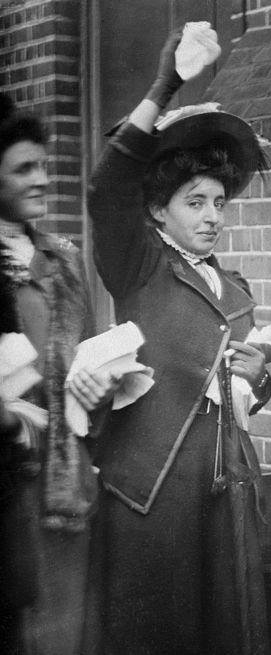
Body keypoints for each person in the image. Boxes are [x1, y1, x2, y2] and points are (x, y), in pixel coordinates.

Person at [85, 29, 271, 654]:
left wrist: (259, 374)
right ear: (159, 211)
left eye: (219, 201)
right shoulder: (139, 263)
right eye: (195, 202)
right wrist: (166, 85)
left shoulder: (237, 288)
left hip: (227, 492)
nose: (213, 215)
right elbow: (107, 187)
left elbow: (249, 387)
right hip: (153, 493)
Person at [0, 93, 117, 654]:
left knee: (68, 635)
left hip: (66, 484)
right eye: (24, 168)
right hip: (9, 485)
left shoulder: (64, 260)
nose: (43, 179)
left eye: (44, 165)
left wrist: (101, 385)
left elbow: (93, 360)